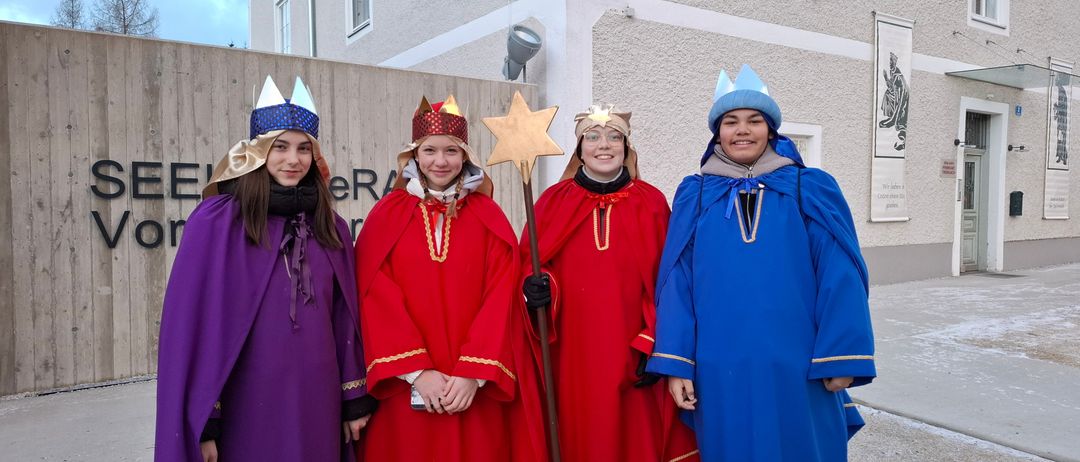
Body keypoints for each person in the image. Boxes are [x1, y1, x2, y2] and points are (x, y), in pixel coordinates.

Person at [646, 65, 876, 461]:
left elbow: (840, 273)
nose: (743, 130)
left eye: (755, 120)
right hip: (718, 360)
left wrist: (841, 353)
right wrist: (677, 362)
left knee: (802, 447)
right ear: (717, 132)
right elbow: (675, 282)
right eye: (731, 121)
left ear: (771, 130)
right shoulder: (696, 194)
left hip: (798, 356)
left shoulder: (809, 187)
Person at [155, 76, 375, 462]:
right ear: (256, 152)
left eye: (304, 148)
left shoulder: (330, 226)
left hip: (317, 400)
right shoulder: (218, 222)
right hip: (246, 402)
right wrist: (205, 419)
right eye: (280, 147)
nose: (294, 160)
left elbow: (345, 317)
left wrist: (354, 396)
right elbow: (196, 324)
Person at [354, 96, 546, 462]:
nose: (440, 161)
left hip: (473, 388)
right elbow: (374, 291)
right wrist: (417, 372)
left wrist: (474, 373)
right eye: (430, 151)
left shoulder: (488, 215)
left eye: (451, 151)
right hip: (407, 386)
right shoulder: (386, 214)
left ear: (466, 157)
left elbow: (502, 293)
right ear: (414, 155)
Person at [520, 104, 699, 461]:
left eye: (615, 137)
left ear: (627, 146)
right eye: (593, 137)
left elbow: (671, 280)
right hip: (572, 351)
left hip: (635, 350)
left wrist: (654, 345)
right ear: (579, 149)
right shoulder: (553, 202)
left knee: (636, 438)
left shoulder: (651, 203)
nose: (604, 145)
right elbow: (531, 264)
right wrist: (536, 290)